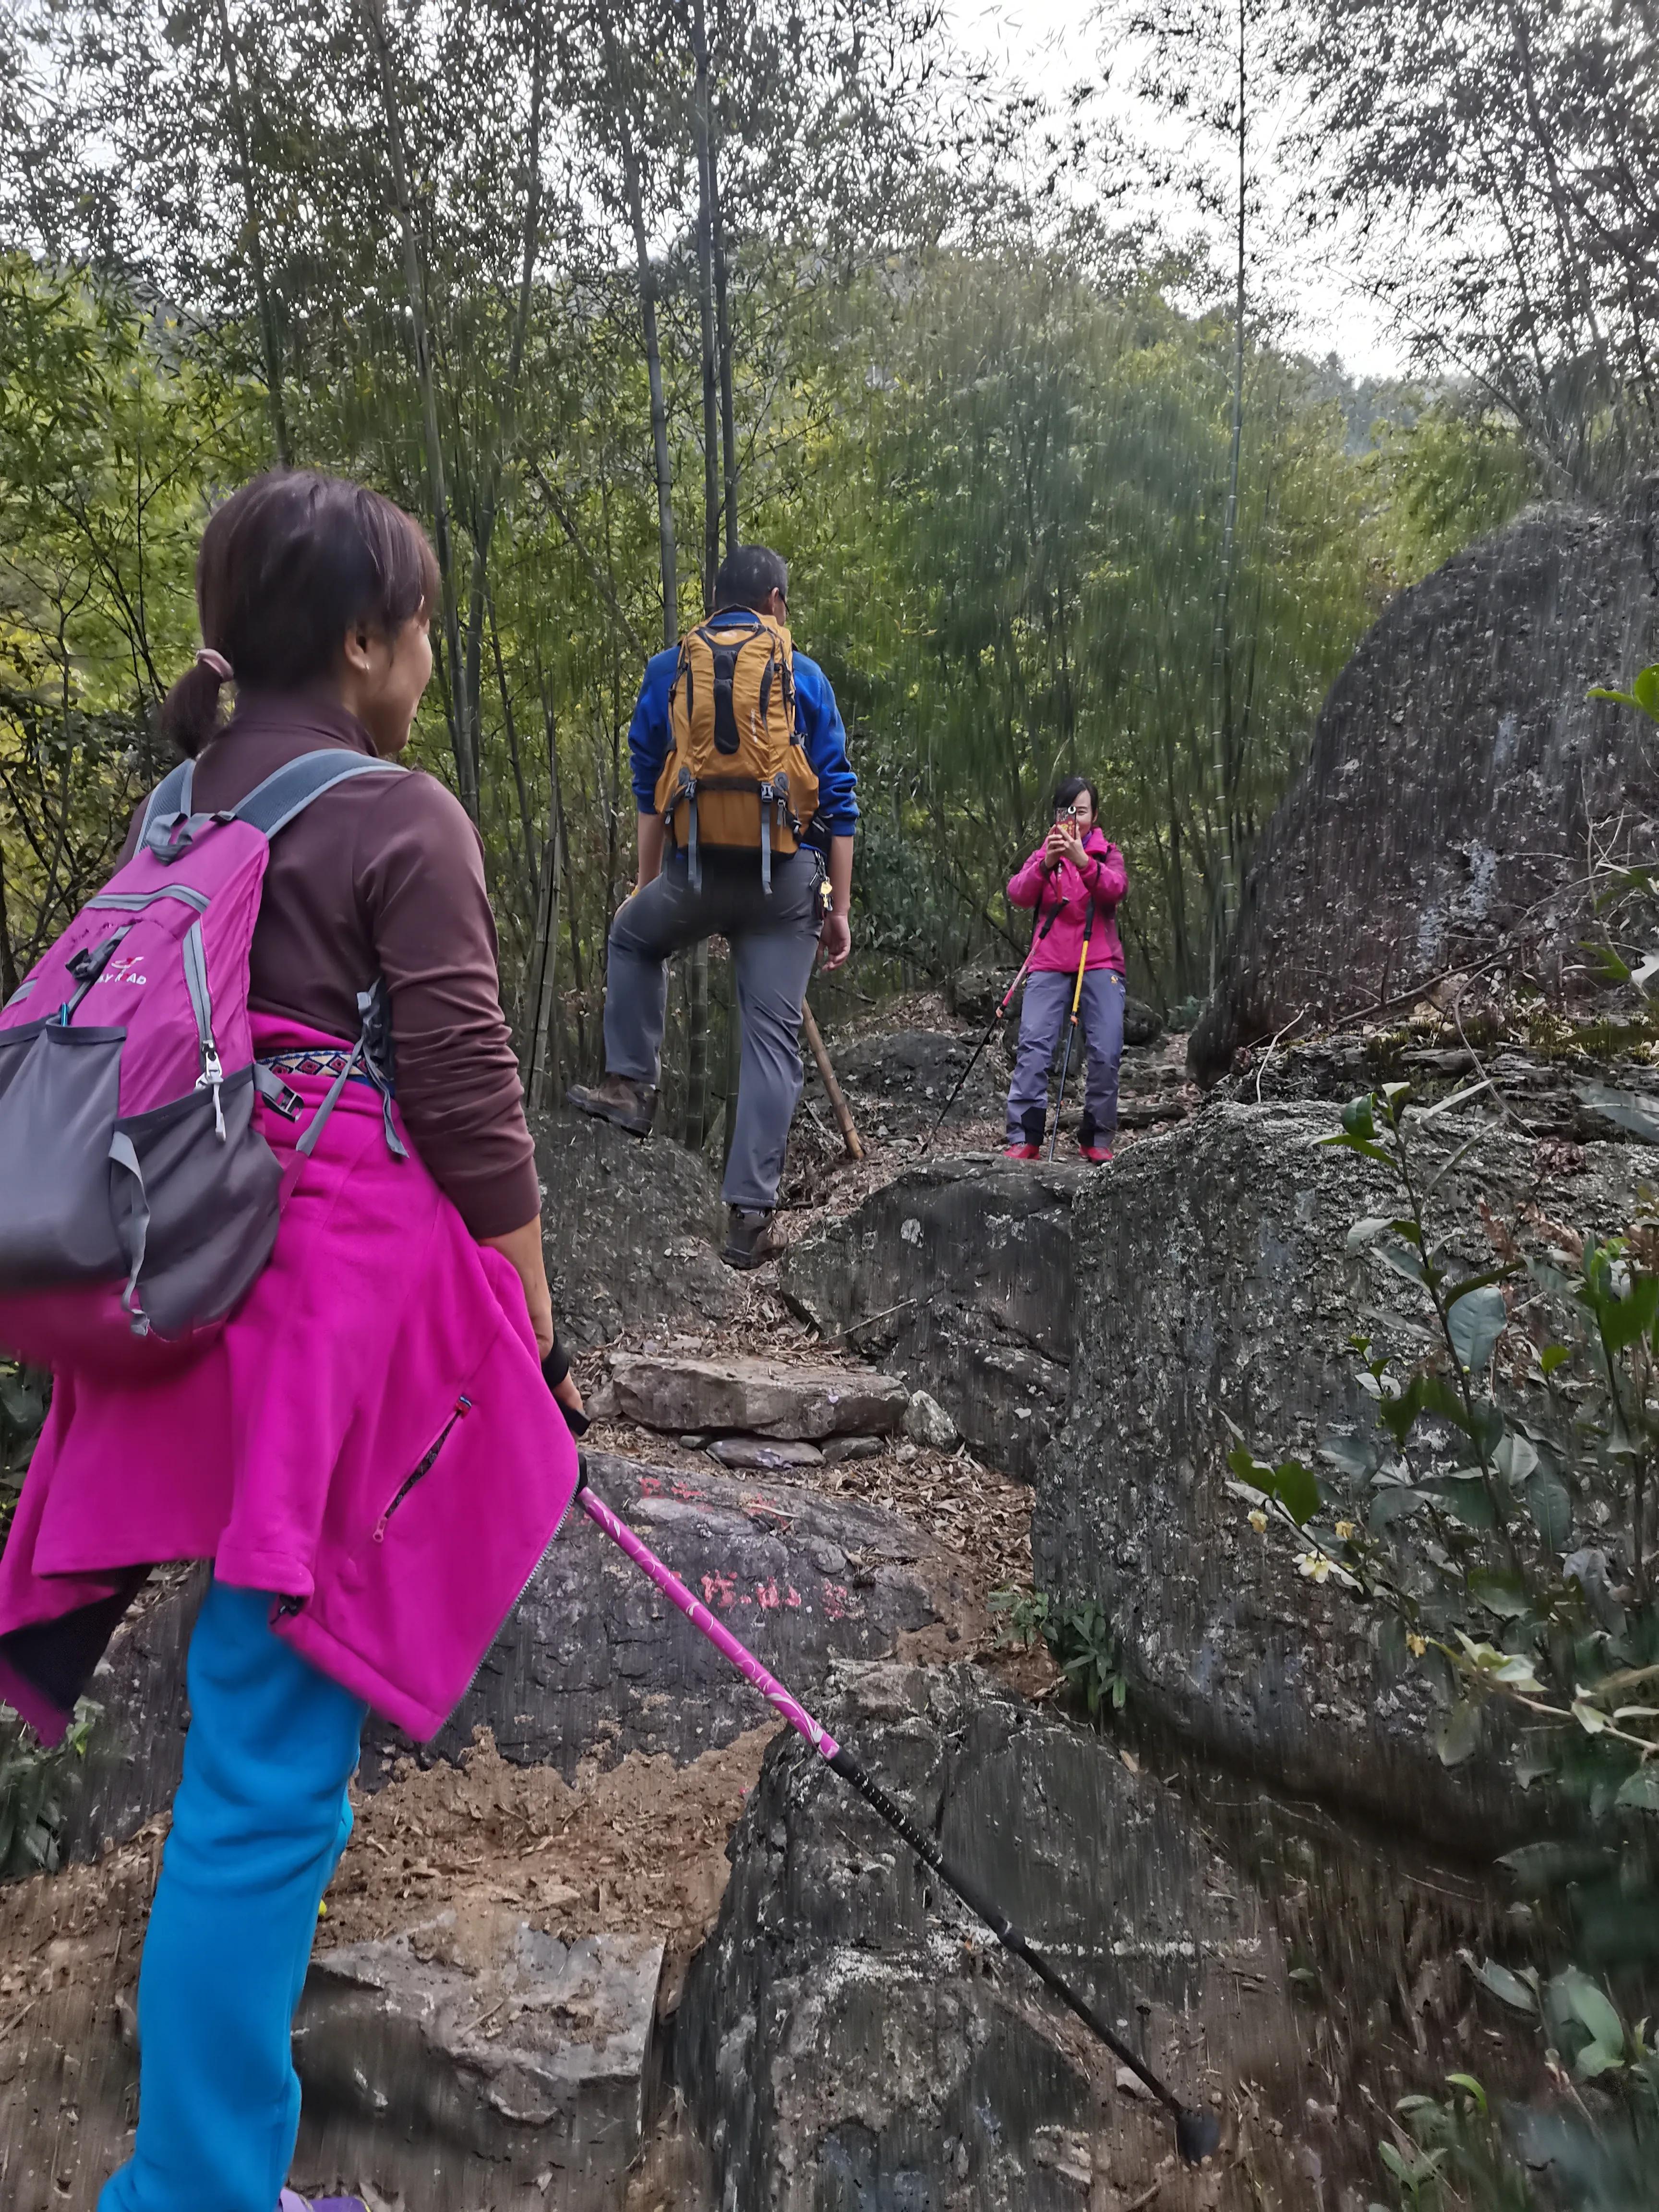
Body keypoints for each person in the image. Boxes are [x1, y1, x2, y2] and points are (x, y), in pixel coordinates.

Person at [0, 470, 583, 2212]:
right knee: (265, 1781)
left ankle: (207, 2165)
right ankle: (191, 2187)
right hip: (316, 1326)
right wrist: (534, 1320)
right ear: (361, 642)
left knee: (244, 1750)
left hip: (174, 1288)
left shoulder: (182, 804)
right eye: (416, 624)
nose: (426, 652)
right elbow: (472, 1100)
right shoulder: (401, 813)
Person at [568, 543, 857, 1269]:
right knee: (770, 1039)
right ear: (776, 602)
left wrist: (647, 886)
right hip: (785, 882)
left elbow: (649, 790)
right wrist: (838, 908)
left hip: (694, 870)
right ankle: (749, 1220)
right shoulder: (803, 674)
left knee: (635, 939)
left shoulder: (673, 670)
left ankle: (632, 1087)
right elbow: (841, 802)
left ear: (713, 601)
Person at [1003, 776, 1129, 1163]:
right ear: (1057, 814)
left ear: (1095, 814)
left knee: (1106, 1049)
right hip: (1049, 960)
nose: (1074, 818)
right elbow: (1018, 893)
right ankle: (1025, 1136)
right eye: (1067, 810)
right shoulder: (1044, 853)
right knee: (1034, 1046)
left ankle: (1097, 1136)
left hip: (1100, 960)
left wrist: (1083, 862)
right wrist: (1047, 864)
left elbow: (1116, 890)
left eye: (1083, 810)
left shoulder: (1108, 854)